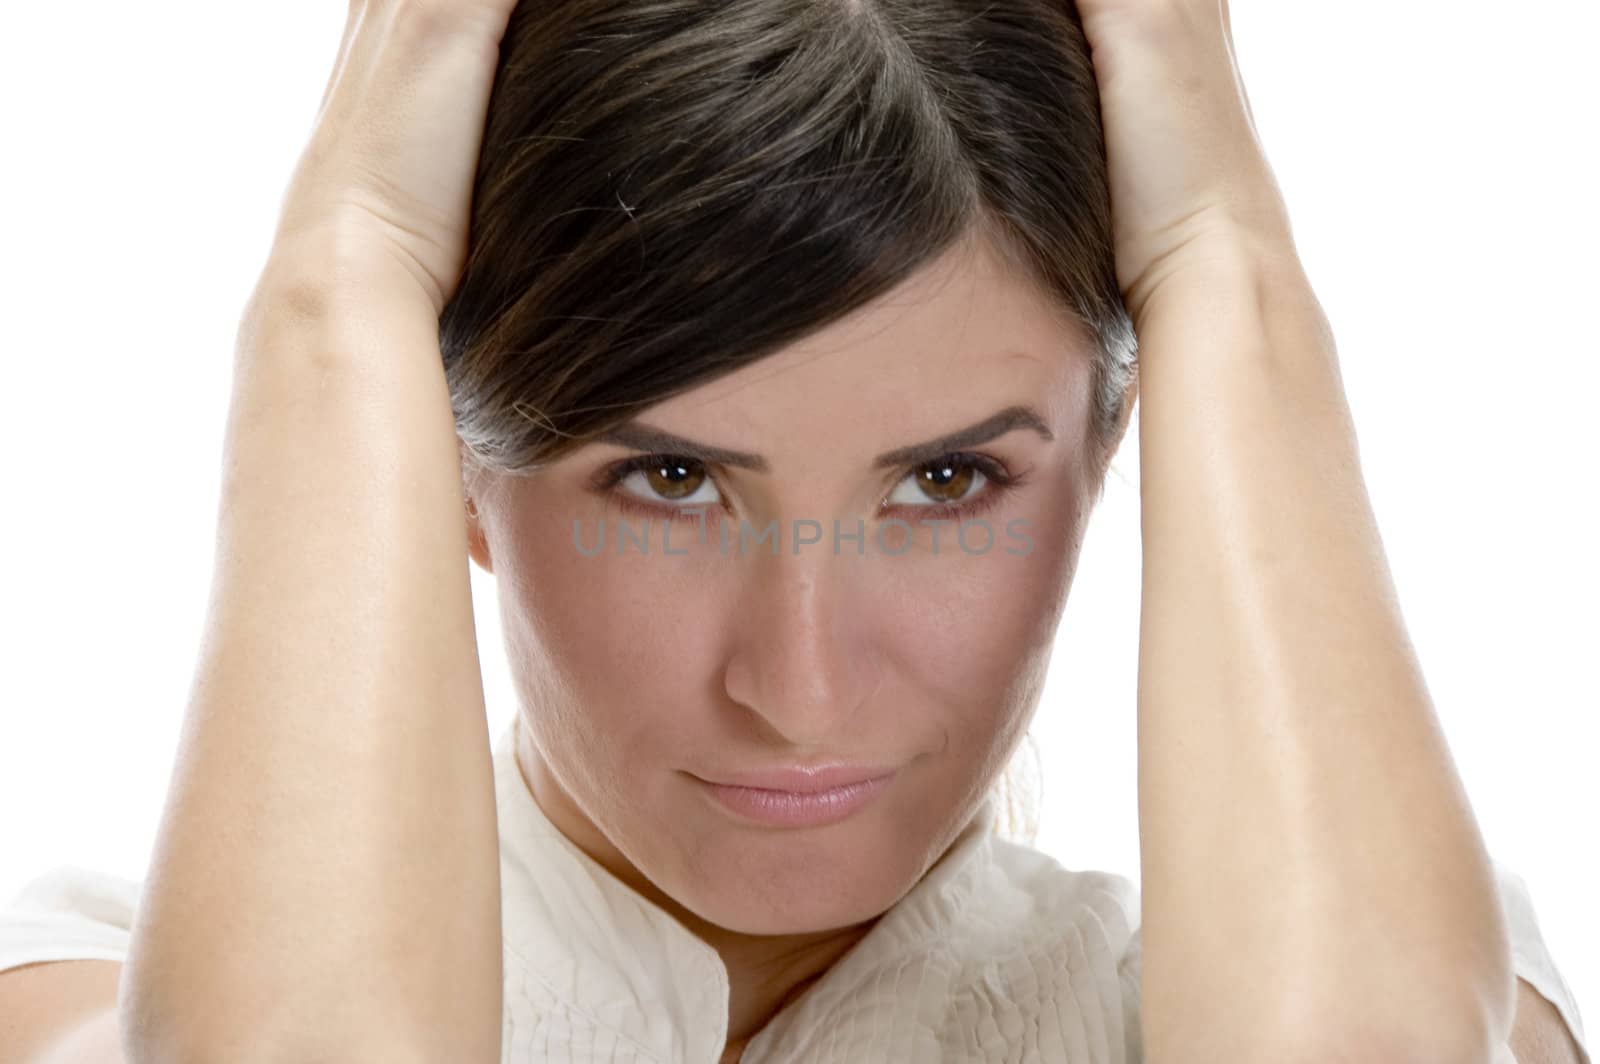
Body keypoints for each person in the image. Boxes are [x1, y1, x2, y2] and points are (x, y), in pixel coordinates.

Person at [0, 1, 1589, 1062]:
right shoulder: (101, 985)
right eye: (671, 482)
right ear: (445, 467)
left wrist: (1228, 262)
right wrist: (336, 279)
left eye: (950, 484)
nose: (802, 688)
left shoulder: (1393, 967)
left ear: (1121, 446)